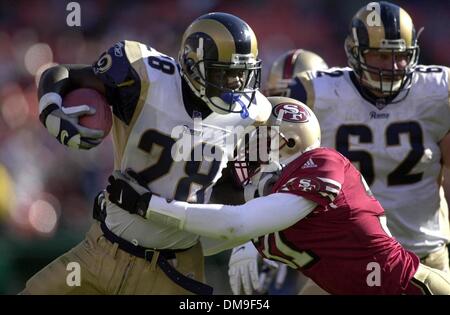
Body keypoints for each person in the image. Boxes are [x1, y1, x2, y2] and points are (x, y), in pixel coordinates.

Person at [24, 12, 271, 294]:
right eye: (221, 74)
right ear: (192, 64)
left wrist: (246, 237)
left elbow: (238, 190)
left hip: (174, 270)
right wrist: (51, 109)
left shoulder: (255, 116)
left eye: (240, 75)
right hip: (102, 248)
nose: (234, 86)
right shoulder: (145, 76)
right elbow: (61, 74)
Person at [106, 96, 450, 295]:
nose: (242, 148)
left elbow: (235, 225)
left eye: (255, 138)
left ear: (285, 141)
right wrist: (132, 234)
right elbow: (195, 240)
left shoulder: (321, 162)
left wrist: (148, 205)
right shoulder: (274, 191)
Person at [278, 1, 450, 273]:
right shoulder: (315, 92)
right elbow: (270, 161)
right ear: (355, 52)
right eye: (380, 55)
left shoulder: (439, 91)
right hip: (349, 254)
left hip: (422, 252)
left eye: (401, 54)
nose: (393, 65)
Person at [226, 48, 330, 295]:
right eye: (274, 96)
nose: (283, 107)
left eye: (291, 95)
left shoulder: (335, 140)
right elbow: (238, 184)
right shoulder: (266, 134)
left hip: (325, 246)